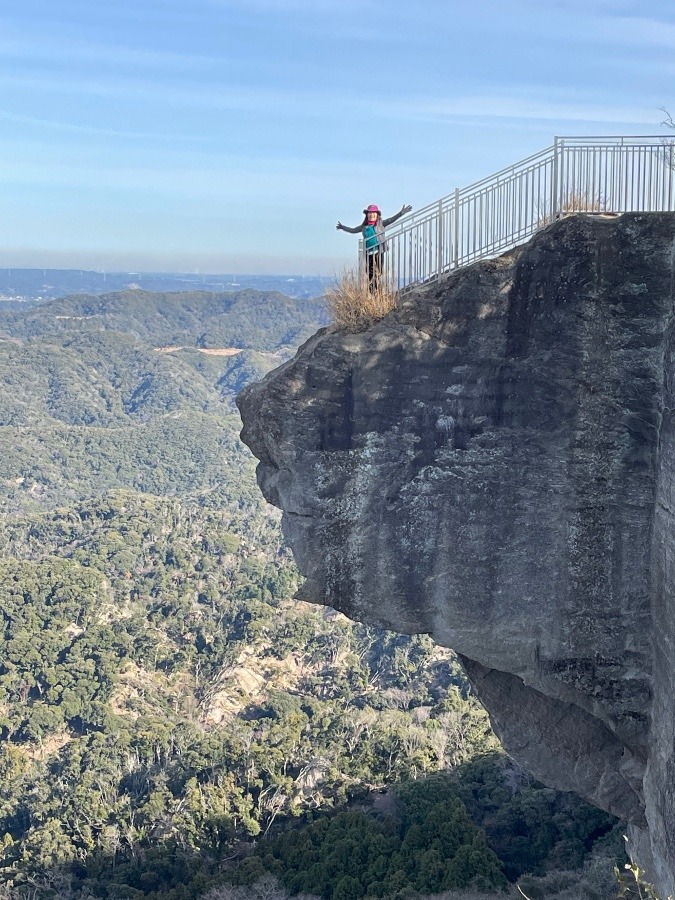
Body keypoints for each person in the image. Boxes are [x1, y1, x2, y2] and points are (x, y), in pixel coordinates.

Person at [337, 203, 412, 292]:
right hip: (369, 253)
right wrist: (343, 227)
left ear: (377, 215)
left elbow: (392, 219)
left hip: (379, 252)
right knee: (370, 274)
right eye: (369, 213)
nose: (371, 215)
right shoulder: (364, 227)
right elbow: (353, 230)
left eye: (373, 213)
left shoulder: (381, 224)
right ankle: (372, 293)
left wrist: (401, 213)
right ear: (367, 215)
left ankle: (377, 292)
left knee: (378, 273)